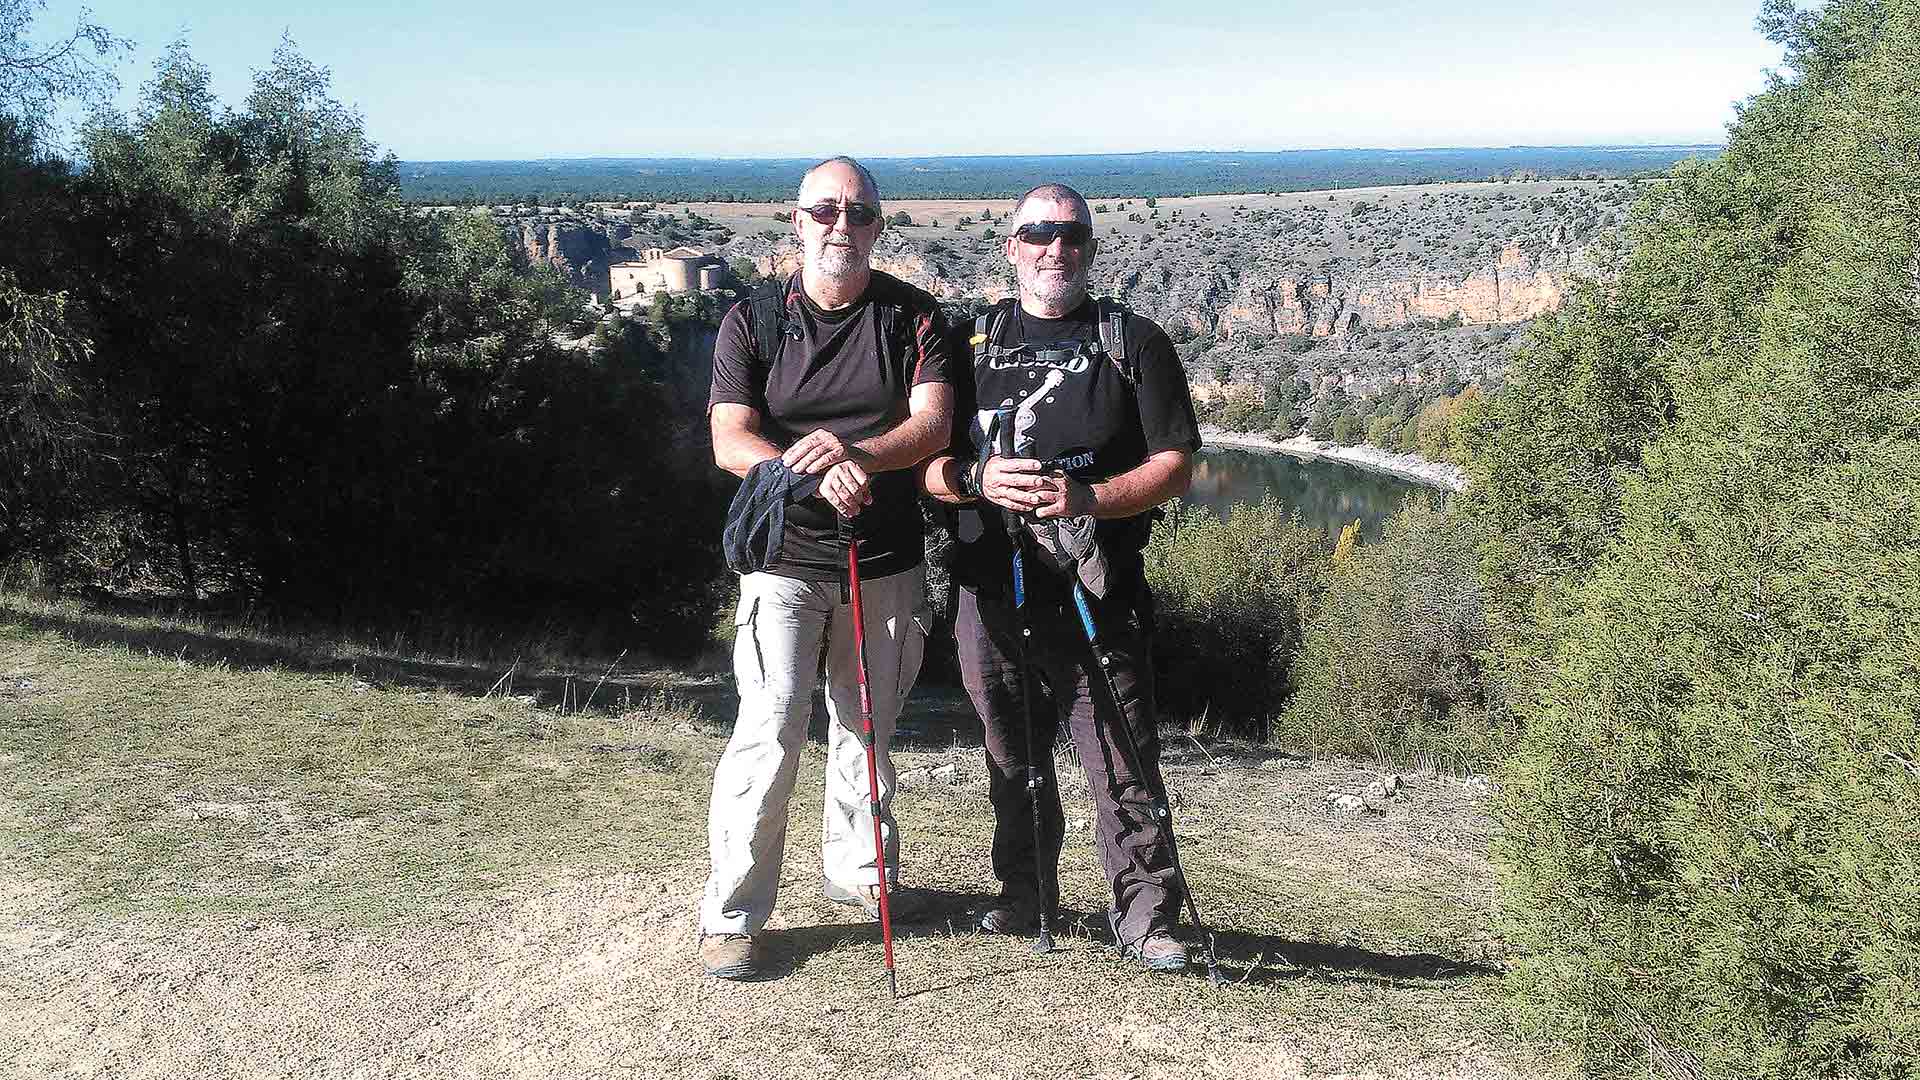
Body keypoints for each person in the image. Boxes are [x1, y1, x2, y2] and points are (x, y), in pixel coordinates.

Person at [920, 183, 1201, 972]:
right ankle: (1023, 895)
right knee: (1011, 756)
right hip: (989, 589)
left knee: (1119, 753)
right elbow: (923, 466)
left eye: (1072, 234)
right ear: (1011, 247)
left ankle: (1146, 919)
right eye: (1038, 233)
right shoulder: (964, 343)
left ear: (1090, 247)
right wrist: (978, 481)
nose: (1056, 248)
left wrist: (1093, 499)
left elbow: (1176, 465)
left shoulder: (1131, 341)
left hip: (1095, 591)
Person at [699, 156, 954, 981]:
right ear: (797, 220)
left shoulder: (914, 318)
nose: (842, 225)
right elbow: (730, 438)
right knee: (768, 734)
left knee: (868, 727)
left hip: (883, 562)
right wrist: (808, 468)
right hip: (782, 561)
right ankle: (732, 915)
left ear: (879, 225)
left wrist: (860, 454)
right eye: (825, 210)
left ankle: (862, 876)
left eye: (860, 213)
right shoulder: (753, 320)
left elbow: (933, 427)